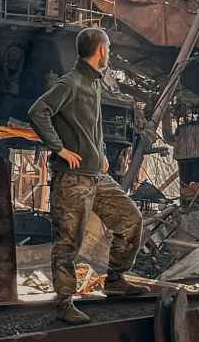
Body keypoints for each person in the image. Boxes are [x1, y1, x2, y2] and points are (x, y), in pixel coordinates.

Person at [28, 26, 144, 324]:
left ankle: (115, 281)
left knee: (131, 220)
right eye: (109, 48)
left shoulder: (94, 83)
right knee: (69, 242)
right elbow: (38, 110)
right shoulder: (72, 82)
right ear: (102, 50)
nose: (110, 53)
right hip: (73, 179)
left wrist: (101, 152)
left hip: (96, 176)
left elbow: (91, 127)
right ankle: (64, 303)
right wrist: (59, 149)